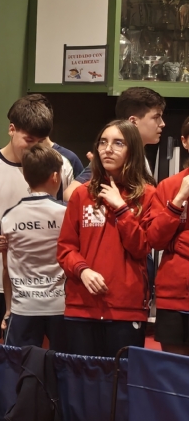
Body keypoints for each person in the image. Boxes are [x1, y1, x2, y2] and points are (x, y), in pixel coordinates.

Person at [0, 95, 73, 340]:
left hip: (45, 293)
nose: (36, 147)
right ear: (11, 130)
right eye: (29, 139)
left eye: (41, 141)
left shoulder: (63, 164)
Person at [57, 120, 155, 358]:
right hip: (82, 307)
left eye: (118, 143)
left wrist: (121, 208)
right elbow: (65, 248)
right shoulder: (82, 194)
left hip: (125, 309)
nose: (107, 149)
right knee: (81, 383)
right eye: (103, 142)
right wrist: (83, 271)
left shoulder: (148, 195)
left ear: (132, 150)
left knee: (119, 384)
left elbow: (141, 247)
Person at [0, 144, 67, 350]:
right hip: (61, 308)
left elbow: (6, 269)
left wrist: (8, 309)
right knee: (65, 368)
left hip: (23, 308)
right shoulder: (66, 213)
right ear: (55, 177)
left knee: (20, 371)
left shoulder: (9, 216)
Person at [65, 87, 165, 200]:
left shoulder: (140, 158)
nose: (162, 124)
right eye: (156, 117)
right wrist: (98, 174)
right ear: (133, 122)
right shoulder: (112, 159)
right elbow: (70, 195)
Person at [144, 116, 189, 355]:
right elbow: (155, 239)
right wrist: (179, 200)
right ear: (185, 141)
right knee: (174, 377)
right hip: (174, 296)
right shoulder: (169, 187)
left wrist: (178, 240)